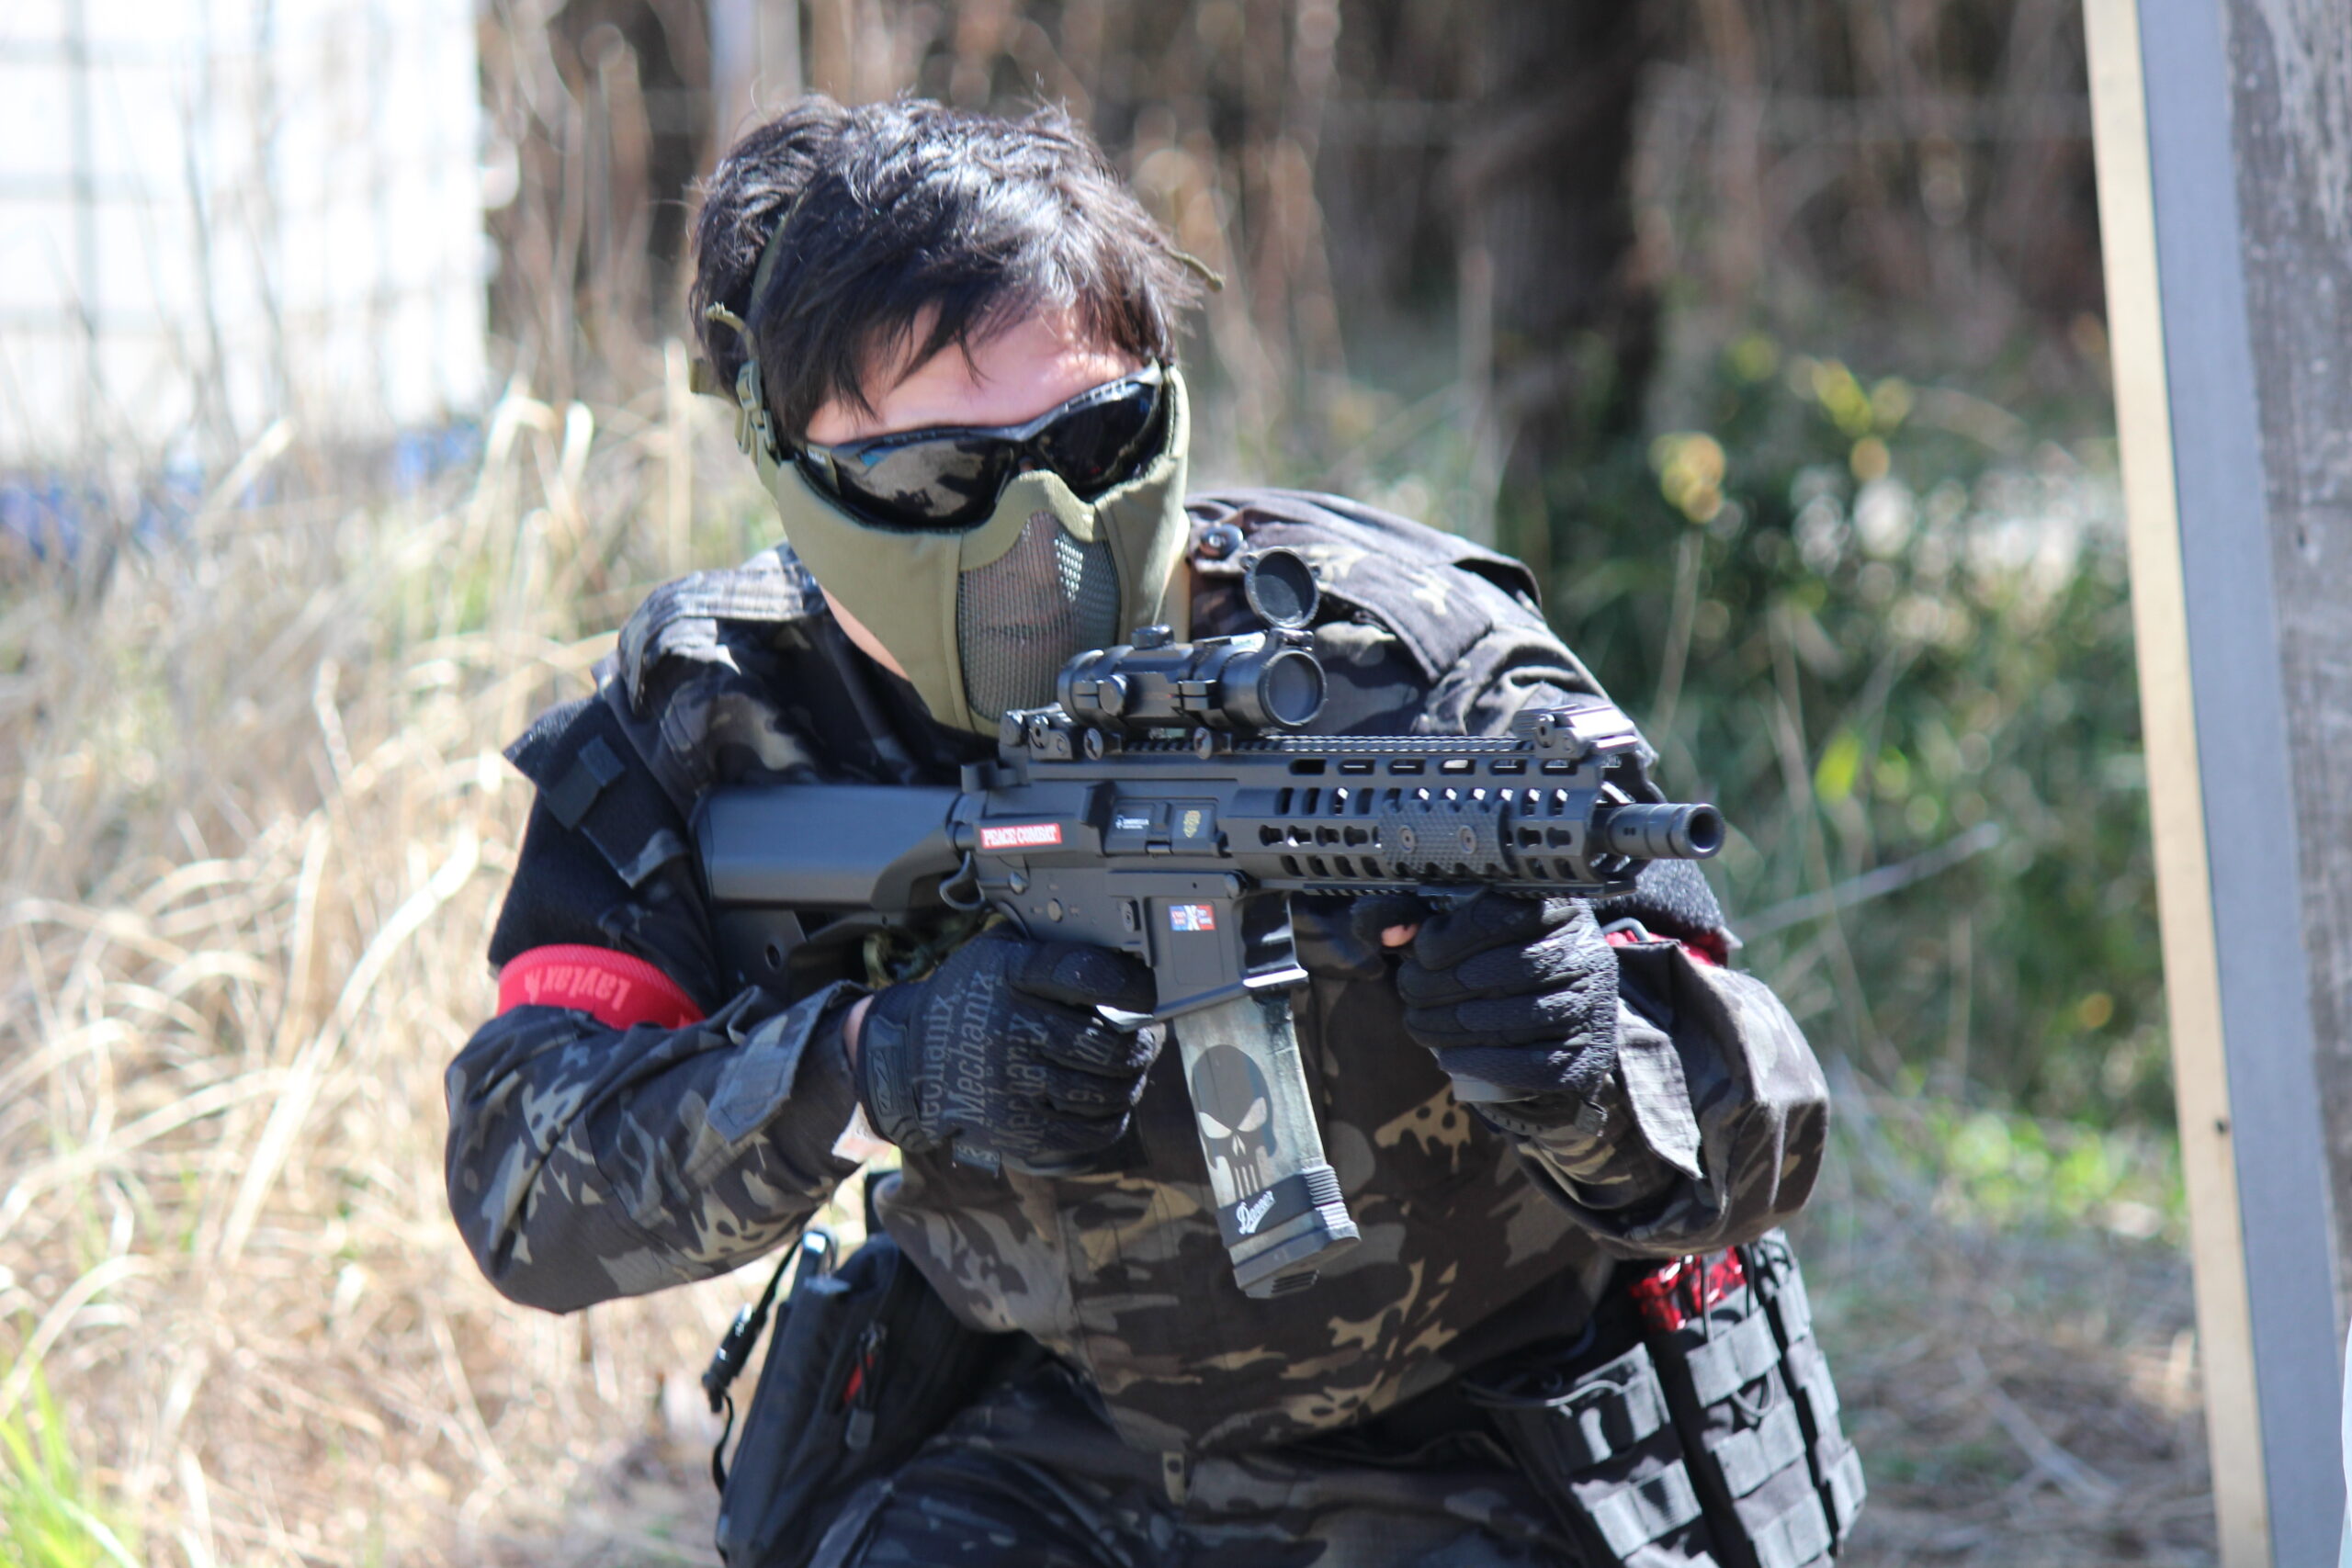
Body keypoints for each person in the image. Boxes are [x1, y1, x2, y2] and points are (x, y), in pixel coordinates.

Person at [445, 95, 1831, 1566]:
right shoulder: (725, 712)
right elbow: (521, 1191)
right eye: (935, 479)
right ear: (791, 468)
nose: (1038, 531)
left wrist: (1588, 1065)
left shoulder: (1421, 669)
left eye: (1097, 441)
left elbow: (1769, 1145)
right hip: (1059, 1442)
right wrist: (872, 1068)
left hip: (1491, 1434)